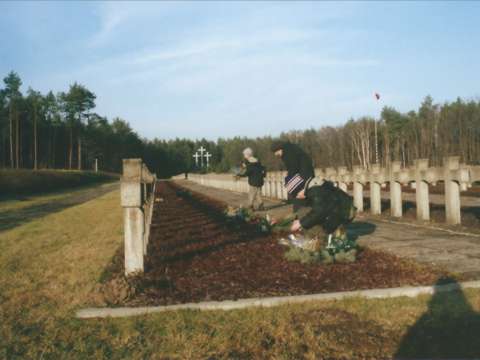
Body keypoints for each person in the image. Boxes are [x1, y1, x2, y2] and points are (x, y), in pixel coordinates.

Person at [288, 177, 356, 247]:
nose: (298, 197)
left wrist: (301, 223)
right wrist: (300, 221)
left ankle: (335, 235)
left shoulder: (315, 191)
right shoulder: (313, 187)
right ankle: (333, 233)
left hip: (343, 212)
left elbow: (320, 211)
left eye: (297, 195)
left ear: (300, 190)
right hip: (342, 209)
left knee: (318, 229)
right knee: (306, 215)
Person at [270, 141, 315, 211]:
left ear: (280, 149)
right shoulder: (290, 149)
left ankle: (299, 210)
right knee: (300, 191)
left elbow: (293, 167)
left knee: (294, 190)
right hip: (306, 173)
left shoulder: (289, 153)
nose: (276, 154)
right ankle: (302, 208)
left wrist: (288, 178)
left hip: (304, 174)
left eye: (276, 152)